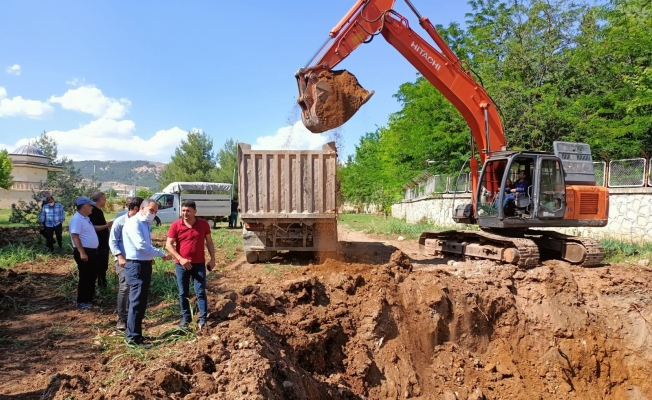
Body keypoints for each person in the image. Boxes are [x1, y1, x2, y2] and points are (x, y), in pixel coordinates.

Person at [122, 199, 171, 348]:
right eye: (151, 210)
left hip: (143, 265)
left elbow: (146, 246)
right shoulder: (133, 223)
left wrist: (150, 258)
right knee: (136, 302)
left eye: (155, 212)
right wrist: (160, 254)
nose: (153, 214)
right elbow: (140, 245)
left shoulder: (145, 224)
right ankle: (132, 338)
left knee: (140, 302)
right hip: (135, 266)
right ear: (141, 208)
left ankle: (136, 334)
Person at [165, 200, 215, 331]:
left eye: (188, 211)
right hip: (181, 265)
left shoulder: (203, 224)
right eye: (183, 210)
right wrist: (180, 258)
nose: (185, 213)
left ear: (195, 212)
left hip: (198, 264)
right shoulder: (176, 225)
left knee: (200, 292)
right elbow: (168, 245)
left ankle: (203, 320)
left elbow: (209, 242)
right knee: (183, 293)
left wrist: (212, 259)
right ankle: (186, 318)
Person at [108, 196, 143, 331]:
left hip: (137, 259)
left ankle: (132, 316)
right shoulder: (120, 221)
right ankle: (122, 319)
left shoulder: (141, 222)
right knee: (125, 287)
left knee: (135, 287)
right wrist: (119, 257)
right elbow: (113, 241)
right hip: (123, 260)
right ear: (136, 208)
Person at [69, 196, 100, 309]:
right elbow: (75, 236)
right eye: (90, 205)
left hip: (91, 251)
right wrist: (82, 252)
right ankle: (82, 301)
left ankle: (89, 298)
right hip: (85, 251)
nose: (92, 207)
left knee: (91, 275)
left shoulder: (85, 218)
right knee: (85, 276)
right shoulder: (77, 219)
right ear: (84, 207)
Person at [89, 192, 113, 289]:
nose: (105, 201)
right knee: (100, 265)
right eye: (104, 199)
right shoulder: (93, 211)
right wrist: (106, 226)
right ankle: (101, 286)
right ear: (100, 200)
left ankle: (102, 284)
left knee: (103, 265)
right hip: (99, 244)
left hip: (103, 243)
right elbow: (93, 227)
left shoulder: (98, 211)